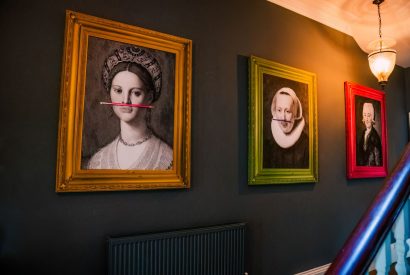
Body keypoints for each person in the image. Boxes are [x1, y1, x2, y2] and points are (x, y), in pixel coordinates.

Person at [88, 46, 173, 170]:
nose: (125, 100)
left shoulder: (168, 159)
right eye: (118, 90)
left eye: (136, 93)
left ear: (149, 97)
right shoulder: (98, 161)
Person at [265, 87, 308, 168]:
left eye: (288, 111)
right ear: (274, 111)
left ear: (295, 113)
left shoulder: (306, 144)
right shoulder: (268, 145)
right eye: (279, 110)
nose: (282, 118)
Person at [357, 102, 382, 166]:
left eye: (368, 115)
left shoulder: (375, 137)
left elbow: (378, 161)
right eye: (365, 115)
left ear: (372, 118)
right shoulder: (363, 134)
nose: (367, 119)